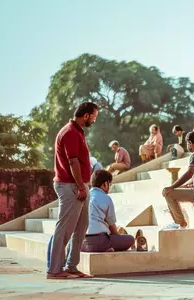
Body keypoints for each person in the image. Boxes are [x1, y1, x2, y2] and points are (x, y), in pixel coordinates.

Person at [46, 101, 98, 280]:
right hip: (71, 186)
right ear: (86, 115)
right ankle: (54, 270)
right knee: (65, 228)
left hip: (79, 185)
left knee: (81, 227)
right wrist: (80, 186)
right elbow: (72, 161)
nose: (94, 120)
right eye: (94, 116)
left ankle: (72, 266)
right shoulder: (69, 132)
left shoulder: (77, 132)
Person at [81, 170, 135, 252]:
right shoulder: (106, 198)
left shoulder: (85, 196)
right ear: (105, 184)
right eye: (109, 184)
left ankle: (108, 247)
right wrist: (118, 237)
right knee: (130, 239)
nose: (109, 187)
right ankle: (107, 247)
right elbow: (113, 230)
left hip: (81, 243)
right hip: (99, 242)